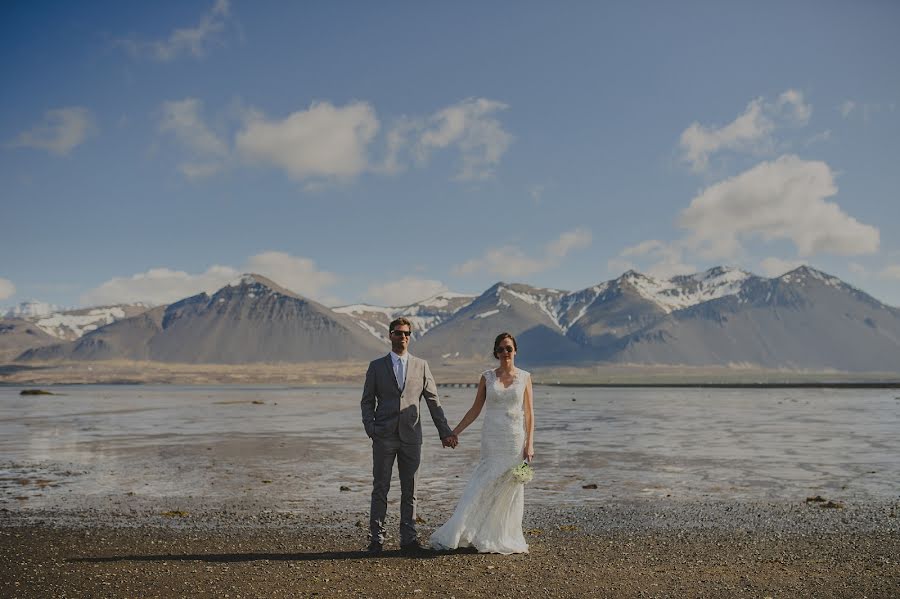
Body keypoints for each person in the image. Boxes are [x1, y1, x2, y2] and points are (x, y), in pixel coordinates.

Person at [429, 332, 535, 554]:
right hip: (492, 437)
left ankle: (502, 534)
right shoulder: (487, 377)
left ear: (515, 351)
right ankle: (469, 531)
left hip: (515, 438)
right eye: (500, 349)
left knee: (509, 485)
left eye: (508, 348)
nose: (505, 353)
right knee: (484, 481)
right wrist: (453, 432)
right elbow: (475, 409)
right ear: (495, 352)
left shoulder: (525, 377)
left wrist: (530, 443)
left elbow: (529, 413)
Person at [361, 317, 458, 555]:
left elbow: (433, 402)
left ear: (410, 336)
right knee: (380, 488)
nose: (402, 337)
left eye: (406, 333)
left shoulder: (421, 366)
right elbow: (367, 400)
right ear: (390, 335)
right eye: (398, 333)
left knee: (410, 489)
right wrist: (370, 428)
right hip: (383, 436)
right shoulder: (376, 366)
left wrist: (445, 432)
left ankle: (408, 541)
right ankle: (377, 540)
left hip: (411, 436)